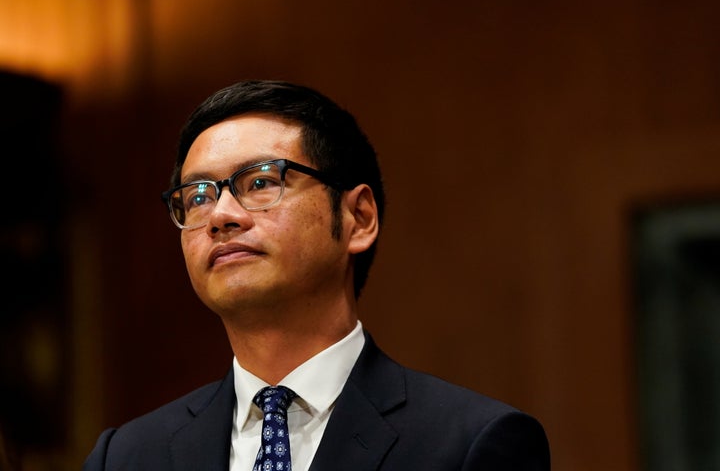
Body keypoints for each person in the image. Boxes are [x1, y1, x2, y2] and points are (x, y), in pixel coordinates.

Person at [83, 80, 551, 470]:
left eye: (261, 182)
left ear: (358, 218)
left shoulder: (470, 444)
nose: (221, 214)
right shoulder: (125, 457)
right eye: (199, 195)